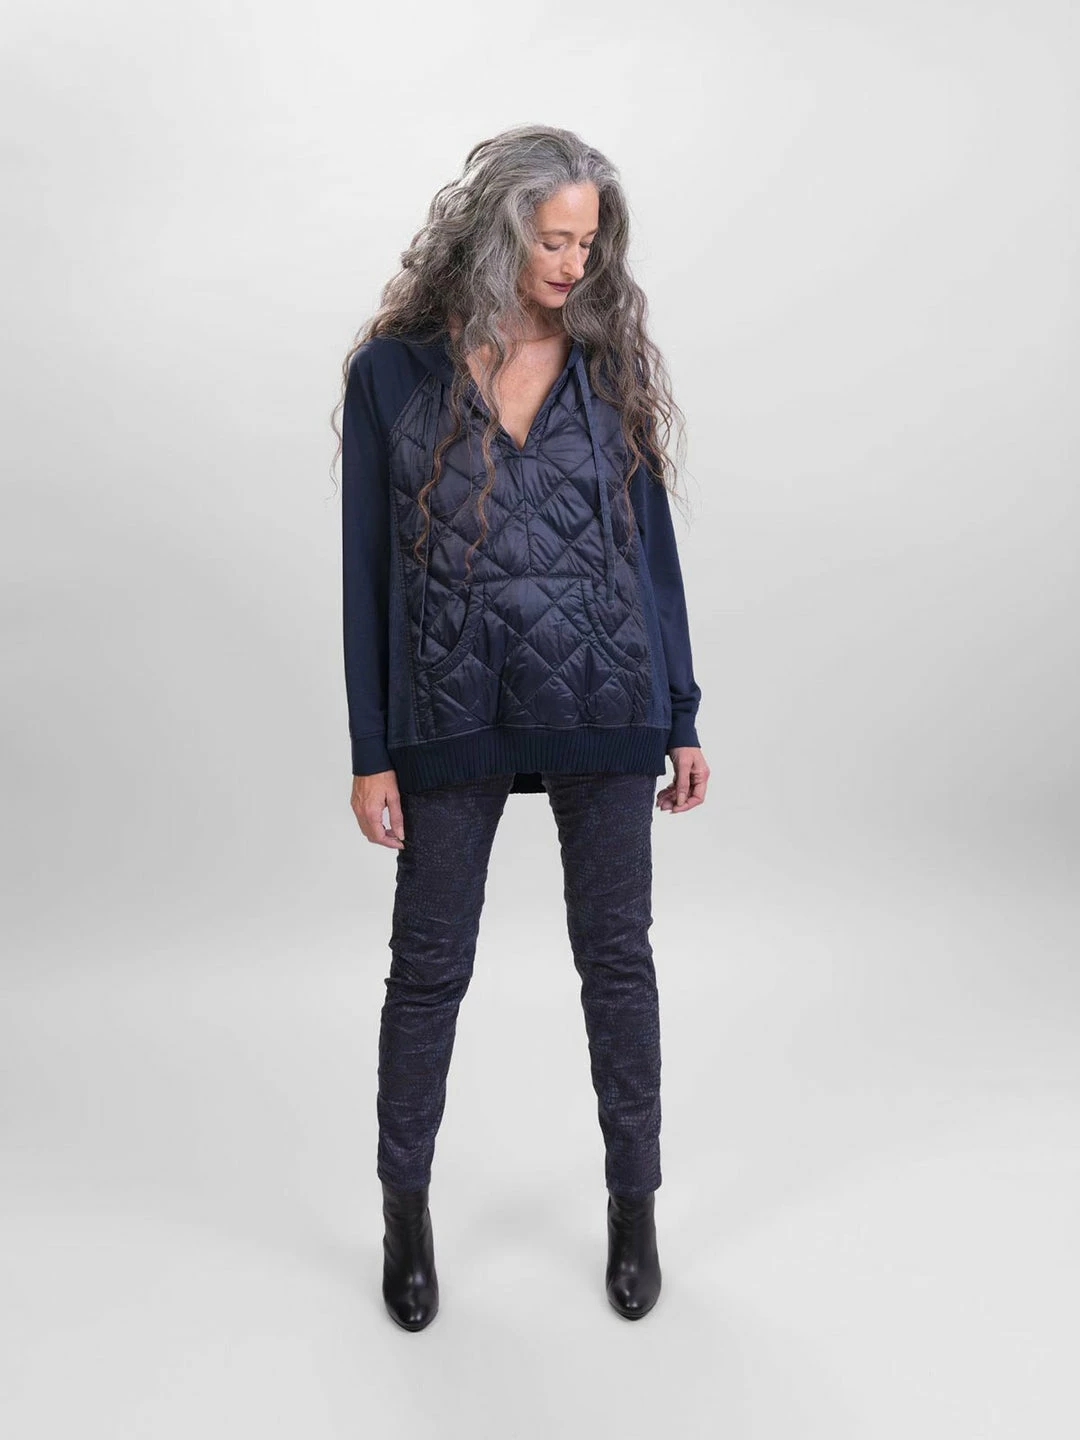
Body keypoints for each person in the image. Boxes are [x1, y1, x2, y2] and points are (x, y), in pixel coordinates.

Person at [333, 124, 709, 1331]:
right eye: (553, 240)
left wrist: (683, 713)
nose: (573, 264)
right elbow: (366, 570)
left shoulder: (608, 362)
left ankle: (635, 1209)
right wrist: (371, 749)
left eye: (588, 243)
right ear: (496, 234)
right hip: (450, 708)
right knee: (428, 971)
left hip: (607, 698)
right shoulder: (393, 374)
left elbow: (650, 554)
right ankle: (404, 1215)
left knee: (618, 962)